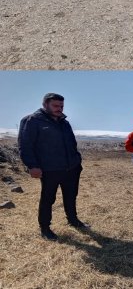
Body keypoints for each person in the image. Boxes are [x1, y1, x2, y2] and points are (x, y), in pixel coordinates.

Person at [18, 93, 88, 240]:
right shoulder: (32, 120)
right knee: (48, 199)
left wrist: (77, 161)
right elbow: (25, 145)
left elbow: (71, 143)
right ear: (45, 105)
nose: (59, 109)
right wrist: (32, 166)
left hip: (71, 167)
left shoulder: (64, 122)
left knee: (71, 196)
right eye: (55, 106)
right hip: (50, 169)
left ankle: (73, 220)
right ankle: (45, 228)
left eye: (61, 106)